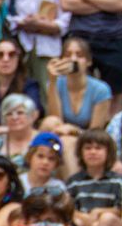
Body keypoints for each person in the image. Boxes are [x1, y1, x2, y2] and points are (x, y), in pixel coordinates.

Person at [42, 36, 114, 167]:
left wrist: (74, 131)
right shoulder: (55, 84)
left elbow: (95, 132)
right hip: (60, 134)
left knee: (67, 142)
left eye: (79, 55)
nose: (73, 59)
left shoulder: (101, 89)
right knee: (49, 122)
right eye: (68, 55)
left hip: (88, 141)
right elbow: (56, 120)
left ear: (88, 61)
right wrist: (52, 80)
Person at [67, 129, 122, 226]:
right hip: (82, 224)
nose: (93, 152)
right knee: (74, 223)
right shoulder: (74, 181)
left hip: (105, 225)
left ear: (108, 152)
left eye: (98, 148)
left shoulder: (117, 181)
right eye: (88, 148)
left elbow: (121, 209)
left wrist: (99, 212)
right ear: (80, 152)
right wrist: (83, 217)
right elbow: (68, 207)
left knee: (99, 225)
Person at [0, 93, 41, 164]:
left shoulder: (43, 140)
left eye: (20, 113)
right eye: (9, 114)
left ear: (32, 115)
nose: (14, 117)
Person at [19, 130, 67, 198]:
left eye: (51, 159)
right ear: (30, 156)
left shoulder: (58, 187)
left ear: (56, 164)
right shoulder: (19, 182)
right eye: (40, 156)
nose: (45, 162)